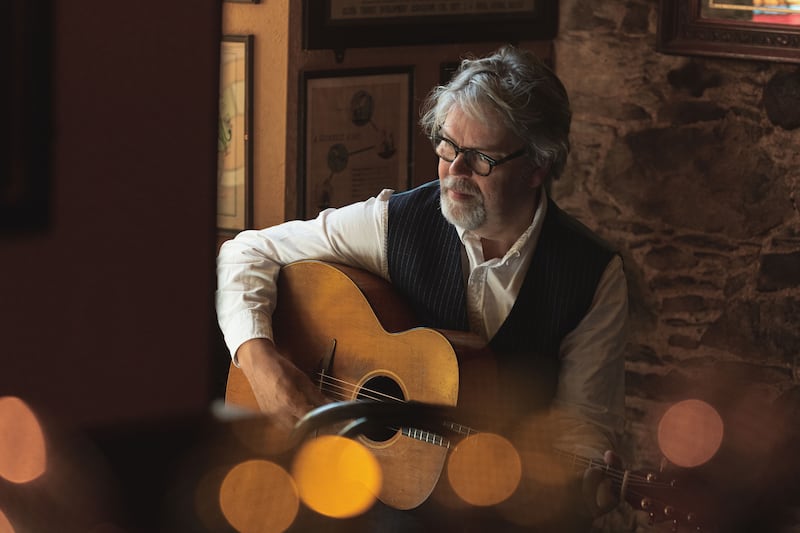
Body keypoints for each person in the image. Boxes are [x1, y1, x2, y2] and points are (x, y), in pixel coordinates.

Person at [217, 45, 630, 531]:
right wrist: (263, 366)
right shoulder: (395, 224)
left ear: (537, 166)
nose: (453, 172)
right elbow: (244, 252)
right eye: (448, 147)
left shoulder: (593, 274)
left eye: (479, 159)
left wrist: (583, 485)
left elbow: (583, 425)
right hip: (370, 498)